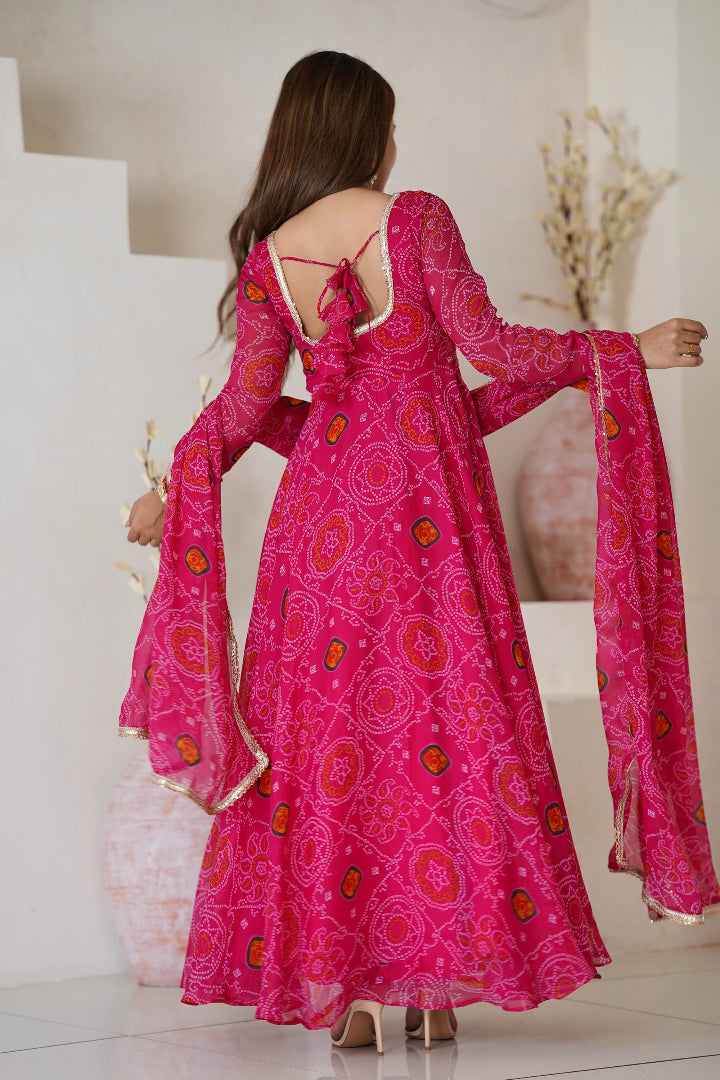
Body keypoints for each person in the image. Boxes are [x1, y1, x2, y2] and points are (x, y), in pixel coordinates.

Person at [121, 51, 719, 1052]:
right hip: (426, 539)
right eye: (388, 126)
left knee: (331, 753)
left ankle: (343, 996)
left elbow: (247, 410)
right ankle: (433, 990)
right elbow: (491, 350)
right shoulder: (414, 217)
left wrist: (171, 484)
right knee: (444, 746)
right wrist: (622, 348)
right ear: (364, 130)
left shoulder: (272, 256)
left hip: (318, 542)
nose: (397, 145)